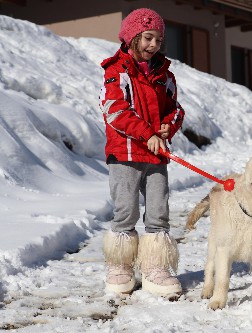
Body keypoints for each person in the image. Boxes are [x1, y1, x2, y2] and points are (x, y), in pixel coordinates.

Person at [98, 8, 185, 299]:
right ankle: (121, 266)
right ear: (133, 36)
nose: (153, 45)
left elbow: (175, 110)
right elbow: (115, 110)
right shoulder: (116, 71)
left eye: (159, 40)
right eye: (148, 38)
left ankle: (155, 267)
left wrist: (165, 129)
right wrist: (146, 133)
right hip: (125, 153)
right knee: (126, 210)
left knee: (159, 212)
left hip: (156, 154)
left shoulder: (165, 75)